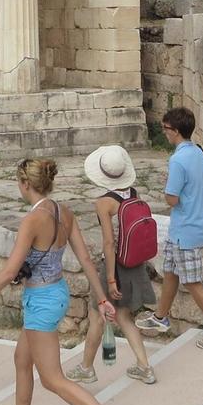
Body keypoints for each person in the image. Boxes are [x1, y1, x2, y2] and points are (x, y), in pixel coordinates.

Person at [0, 159, 117, 405]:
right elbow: (85, 258)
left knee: (52, 379)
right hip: (56, 293)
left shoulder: (32, 220)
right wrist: (102, 298)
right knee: (22, 359)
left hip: (41, 301)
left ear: (25, 184)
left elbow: (10, 271)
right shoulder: (63, 211)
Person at [135, 108, 203, 351]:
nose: (165, 133)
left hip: (185, 231)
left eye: (166, 129)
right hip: (189, 225)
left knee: (192, 282)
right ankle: (161, 317)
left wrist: (168, 188)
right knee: (170, 271)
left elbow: (172, 199)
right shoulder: (198, 152)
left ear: (176, 131)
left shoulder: (178, 160)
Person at [66, 145, 157, 386]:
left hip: (115, 267)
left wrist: (109, 279)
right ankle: (144, 367)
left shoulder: (104, 203)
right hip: (134, 264)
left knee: (98, 317)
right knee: (125, 317)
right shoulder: (134, 194)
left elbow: (108, 242)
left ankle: (86, 368)